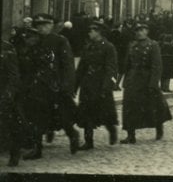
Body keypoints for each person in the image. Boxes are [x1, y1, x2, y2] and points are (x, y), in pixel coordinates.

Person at [21, 14, 80, 160]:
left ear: (51, 25)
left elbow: (68, 65)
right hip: (38, 86)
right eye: (39, 25)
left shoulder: (60, 41)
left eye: (45, 25)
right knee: (36, 117)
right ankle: (37, 149)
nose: (41, 28)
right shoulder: (35, 41)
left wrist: (68, 86)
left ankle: (73, 135)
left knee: (62, 116)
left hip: (56, 86)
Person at [121, 22, 172, 144]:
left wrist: (153, 83)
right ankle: (130, 135)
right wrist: (125, 80)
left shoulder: (153, 45)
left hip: (147, 79)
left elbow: (157, 66)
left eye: (142, 30)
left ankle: (159, 128)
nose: (139, 32)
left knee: (154, 106)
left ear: (147, 31)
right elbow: (127, 65)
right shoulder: (132, 45)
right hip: (133, 80)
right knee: (129, 106)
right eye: (137, 30)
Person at [75, 21, 119, 150]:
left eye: (92, 30)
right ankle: (88, 141)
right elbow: (81, 68)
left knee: (105, 113)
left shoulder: (108, 47)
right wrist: (75, 85)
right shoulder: (88, 47)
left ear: (99, 32)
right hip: (88, 84)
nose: (89, 33)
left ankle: (112, 131)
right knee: (87, 113)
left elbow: (112, 69)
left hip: (101, 85)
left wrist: (107, 85)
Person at [0, 40, 24, 166]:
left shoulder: (6, 48)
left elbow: (14, 76)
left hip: (4, 94)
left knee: (9, 125)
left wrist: (8, 95)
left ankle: (14, 154)